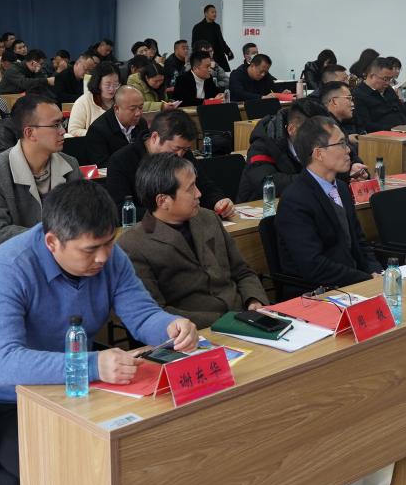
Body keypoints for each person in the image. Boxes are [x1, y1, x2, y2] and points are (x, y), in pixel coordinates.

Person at [0, 179, 197, 485]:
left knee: (154, 444)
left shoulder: (111, 257)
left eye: (109, 243)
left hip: (80, 390)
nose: (103, 257)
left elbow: (142, 314)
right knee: (80, 470)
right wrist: (92, 365)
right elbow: (4, 364)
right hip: (8, 403)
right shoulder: (8, 267)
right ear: (52, 242)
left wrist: (171, 326)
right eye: (90, 249)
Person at [119, 154, 268, 326]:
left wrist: (254, 300)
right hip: (197, 329)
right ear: (163, 201)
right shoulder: (133, 245)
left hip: (243, 316)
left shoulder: (209, 218)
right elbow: (155, 312)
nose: (199, 193)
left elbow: (242, 271)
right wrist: (225, 322)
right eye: (190, 189)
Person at [274, 116, 381, 284]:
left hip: (356, 281)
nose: (348, 150)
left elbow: (359, 242)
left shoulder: (342, 188)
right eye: (341, 144)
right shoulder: (294, 200)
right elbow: (313, 265)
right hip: (319, 290)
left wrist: (376, 272)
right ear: (319, 153)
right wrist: (365, 280)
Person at [0, 94, 83, 244]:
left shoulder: (70, 165)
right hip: (18, 255)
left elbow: (83, 217)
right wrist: (47, 237)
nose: (63, 131)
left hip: (65, 253)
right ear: (29, 133)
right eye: (55, 125)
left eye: (62, 123)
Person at [104, 110, 235, 218]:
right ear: (155, 137)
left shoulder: (184, 154)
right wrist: (169, 213)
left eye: (185, 149)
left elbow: (204, 186)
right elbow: (121, 209)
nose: (179, 155)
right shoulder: (121, 160)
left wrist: (218, 201)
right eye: (175, 148)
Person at [236, 98, 332, 201]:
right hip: (261, 205)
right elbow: (266, 183)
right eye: (314, 132)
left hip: (302, 201)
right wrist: (316, 178)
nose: (320, 138)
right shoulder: (263, 144)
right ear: (292, 129)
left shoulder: (322, 145)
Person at [84, 86, 147, 166]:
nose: (138, 113)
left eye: (140, 107)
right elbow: (101, 165)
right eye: (132, 109)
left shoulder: (141, 123)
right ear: (116, 108)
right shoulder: (97, 130)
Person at [317, 81, 370, 168]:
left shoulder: (337, 125)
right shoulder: (327, 129)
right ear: (334, 101)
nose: (353, 104)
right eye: (348, 98)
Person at [352, 57, 406, 132]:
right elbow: (367, 125)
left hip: (404, 131)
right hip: (384, 135)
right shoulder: (359, 95)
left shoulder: (388, 90)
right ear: (372, 76)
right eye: (385, 79)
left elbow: (404, 111)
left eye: (390, 79)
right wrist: (394, 129)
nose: (388, 83)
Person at [67, 62, 121, 136]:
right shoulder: (84, 101)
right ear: (97, 83)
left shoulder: (121, 100)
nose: (112, 89)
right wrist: (97, 135)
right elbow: (73, 130)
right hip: (93, 142)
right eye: (107, 85)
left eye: (115, 84)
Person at [189, 5, 233, 71]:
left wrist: (228, 51)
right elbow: (194, 45)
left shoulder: (217, 26)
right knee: (209, 73)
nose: (215, 14)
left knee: (222, 74)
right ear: (206, 13)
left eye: (215, 12)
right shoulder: (198, 27)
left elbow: (221, 41)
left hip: (219, 56)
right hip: (206, 57)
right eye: (212, 12)